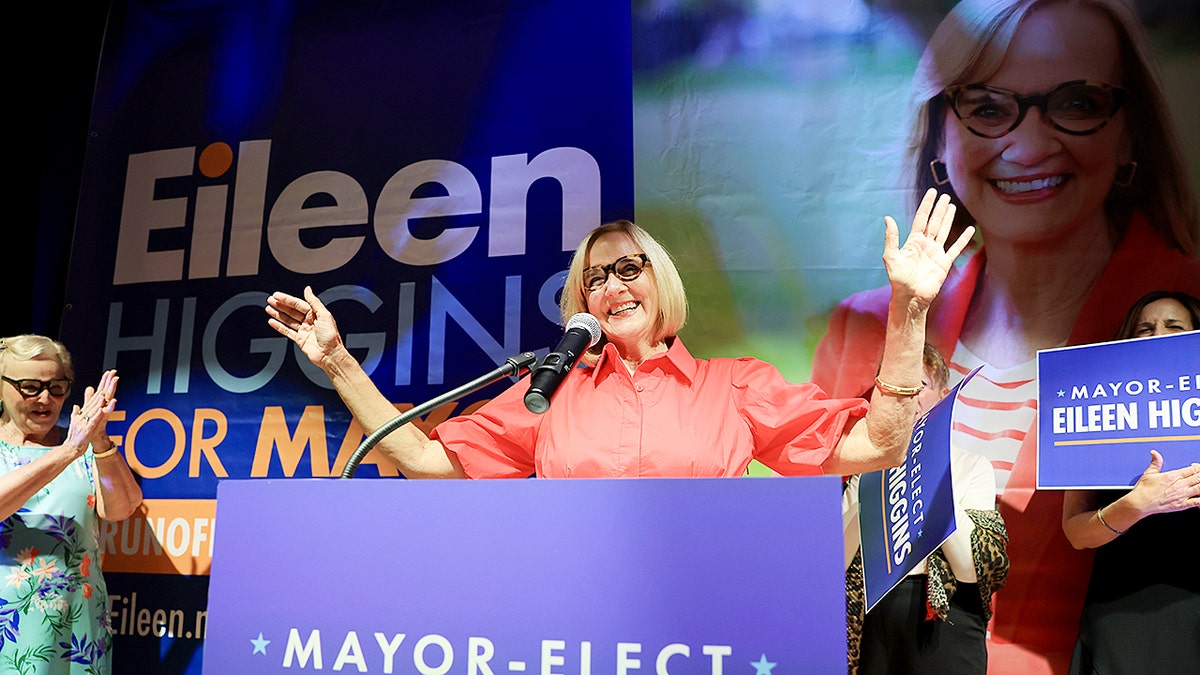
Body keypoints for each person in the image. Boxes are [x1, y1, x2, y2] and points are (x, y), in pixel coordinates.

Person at [810, 0, 1200, 670]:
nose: (1029, 145)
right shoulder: (864, 326)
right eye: (988, 108)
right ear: (938, 135)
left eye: (1078, 102)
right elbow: (817, 548)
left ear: (1129, 132)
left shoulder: (1178, 325)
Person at [267, 189, 972, 479]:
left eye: (628, 268)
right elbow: (423, 457)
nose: (612, 286)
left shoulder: (735, 385)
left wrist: (909, 310)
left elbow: (878, 446)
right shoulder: (548, 392)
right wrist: (337, 361)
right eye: (594, 278)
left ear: (661, 281)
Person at [843, 344, 1008, 674]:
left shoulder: (971, 466)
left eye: (920, 385)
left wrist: (928, 469)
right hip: (876, 619)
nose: (908, 396)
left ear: (944, 396)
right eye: (896, 387)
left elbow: (972, 570)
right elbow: (839, 558)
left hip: (946, 619)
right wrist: (871, 474)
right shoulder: (866, 471)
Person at [1061, 290, 1200, 674]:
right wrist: (1137, 505)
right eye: (1144, 328)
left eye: (1174, 327)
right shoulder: (1094, 408)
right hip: (1122, 610)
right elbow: (1075, 533)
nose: (1158, 335)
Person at [0, 335, 143, 674]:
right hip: (9, 623)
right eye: (30, 387)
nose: (45, 398)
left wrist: (99, 441)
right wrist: (67, 451)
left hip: (76, 626)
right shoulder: (72, 448)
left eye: (57, 387)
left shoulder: (83, 445)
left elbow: (122, 508)